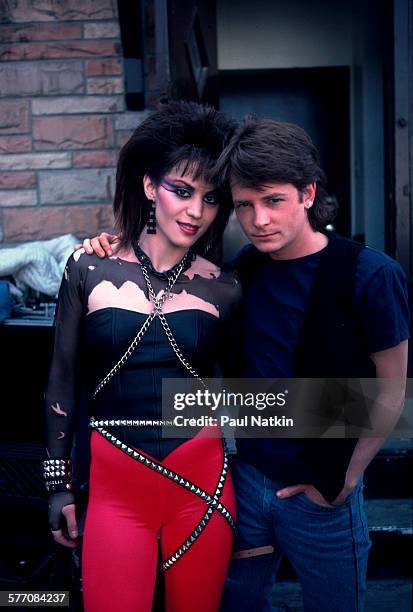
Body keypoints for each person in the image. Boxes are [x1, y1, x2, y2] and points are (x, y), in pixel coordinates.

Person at [81, 116, 409, 612]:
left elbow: (391, 391)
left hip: (322, 494)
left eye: (273, 201)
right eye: (245, 206)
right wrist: (112, 249)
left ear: (307, 193)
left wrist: (344, 478)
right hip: (247, 479)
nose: (259, 220)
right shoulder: (242, 273)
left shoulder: (371, 273)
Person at [44, 100, 242, 612]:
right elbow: (62, 379)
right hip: (114, 492)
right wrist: (57, 487)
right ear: (151, 186)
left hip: (202, 486)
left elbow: (249, 390)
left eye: (211, 197)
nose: (196, 211)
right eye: (182, 190)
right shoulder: (89, 266)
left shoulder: (224, 288)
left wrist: (335, 439)